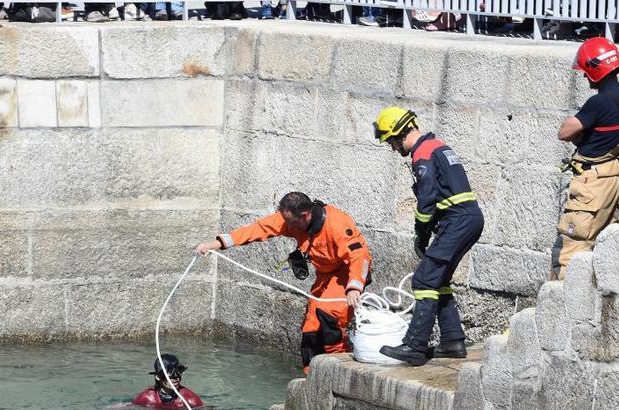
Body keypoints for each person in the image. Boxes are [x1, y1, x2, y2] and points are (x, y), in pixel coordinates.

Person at [195, 192, 372, 374]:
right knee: (311, 327)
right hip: (324, 276)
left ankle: (339, 370)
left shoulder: (337, 224)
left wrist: (354, 287)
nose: (287, 227)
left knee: (329, 318)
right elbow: (258, 229)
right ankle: (310, 375)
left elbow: (360, 256)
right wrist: (216, 244)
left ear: (305, 215)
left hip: (346, 275)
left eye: (291, 223)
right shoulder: (292, 220)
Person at [374, 107, 484, 366]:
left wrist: (420, 236)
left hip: (456, 221)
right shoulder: (438, 145)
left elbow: (426, 202)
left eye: (391, 141)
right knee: (439, 278)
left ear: (400, 134)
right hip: (468, 219)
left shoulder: (421, 154)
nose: (392, 148)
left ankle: (414, 346)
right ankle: (453, 341)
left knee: (424, 280)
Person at [553, 37, 619, 280]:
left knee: (570, 250)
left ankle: (559, 308)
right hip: (613, 178)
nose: (585, 77)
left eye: (586, 72)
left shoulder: (598, 102)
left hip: (592, 185)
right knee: (601, 248)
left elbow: (564, 132)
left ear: (595, 70)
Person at [133, 354, 203, 410]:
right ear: (158, 377)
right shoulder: (147, 398)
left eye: (178, 372)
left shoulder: (189, 399)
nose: (176, 377)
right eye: (169, 374)